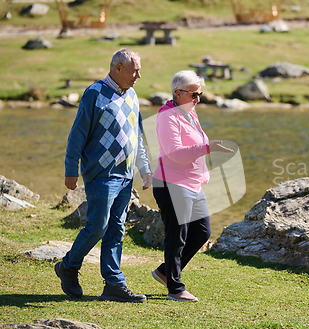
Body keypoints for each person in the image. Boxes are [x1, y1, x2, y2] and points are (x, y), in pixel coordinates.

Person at [55, 48, 152, 303]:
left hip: (125, 174)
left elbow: (137, 136)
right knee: (98, 226)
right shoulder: (94, 93)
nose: (138, 76)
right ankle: (68, 267)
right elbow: (77, 134)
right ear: (117, 68)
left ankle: (113, 284)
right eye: (134, 70)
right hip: (101, 174)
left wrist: (145, 168)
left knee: (116, 229)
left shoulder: (132, 95)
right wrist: (70, 169)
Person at [151, 70, 233, 302]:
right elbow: (175, 153)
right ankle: (175, 289)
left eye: (200, 94)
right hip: (171, 184)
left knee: (201, 233)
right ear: (178, 93)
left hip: (192, 185)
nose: (198, 99)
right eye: (194, 94)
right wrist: (208, 148)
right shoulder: (168, 117)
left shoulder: (189, 113)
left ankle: (165, 272)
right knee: (177, 236)